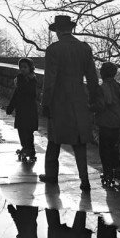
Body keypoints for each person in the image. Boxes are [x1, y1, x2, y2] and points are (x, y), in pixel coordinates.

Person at [40, 15, 99, 192]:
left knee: (54, 140)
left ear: (57, 30)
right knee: (79, 142)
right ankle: (85, 180)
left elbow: (49, 80)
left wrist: (45, 103)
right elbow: (92, 78)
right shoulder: (84, 48)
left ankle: (51, 176)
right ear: (70, 29)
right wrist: (94, 99)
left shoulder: (53, 49)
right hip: (79, 99)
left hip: (59, 101)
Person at [93, 61, 120, 187]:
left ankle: (107, 173)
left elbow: (101, 105)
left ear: (102, 73)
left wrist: (90, 107)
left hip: (106, 123)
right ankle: (117, 169)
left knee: (104, 149)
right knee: (114, 148)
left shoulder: (102, 88)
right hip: (118, 124)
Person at [6, 58, 38, 162]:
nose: (22, 69)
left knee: (28, 132)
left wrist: (21, 81)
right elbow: (16, 95)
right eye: (21, 67)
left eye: (25, 67)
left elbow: (31, 93)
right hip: (21, 110)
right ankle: (26, 148)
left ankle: (29, 149)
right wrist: (10, 107)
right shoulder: (19, 79)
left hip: (30, 110)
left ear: (30, 68)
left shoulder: (32, 79)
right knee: (21, 131)